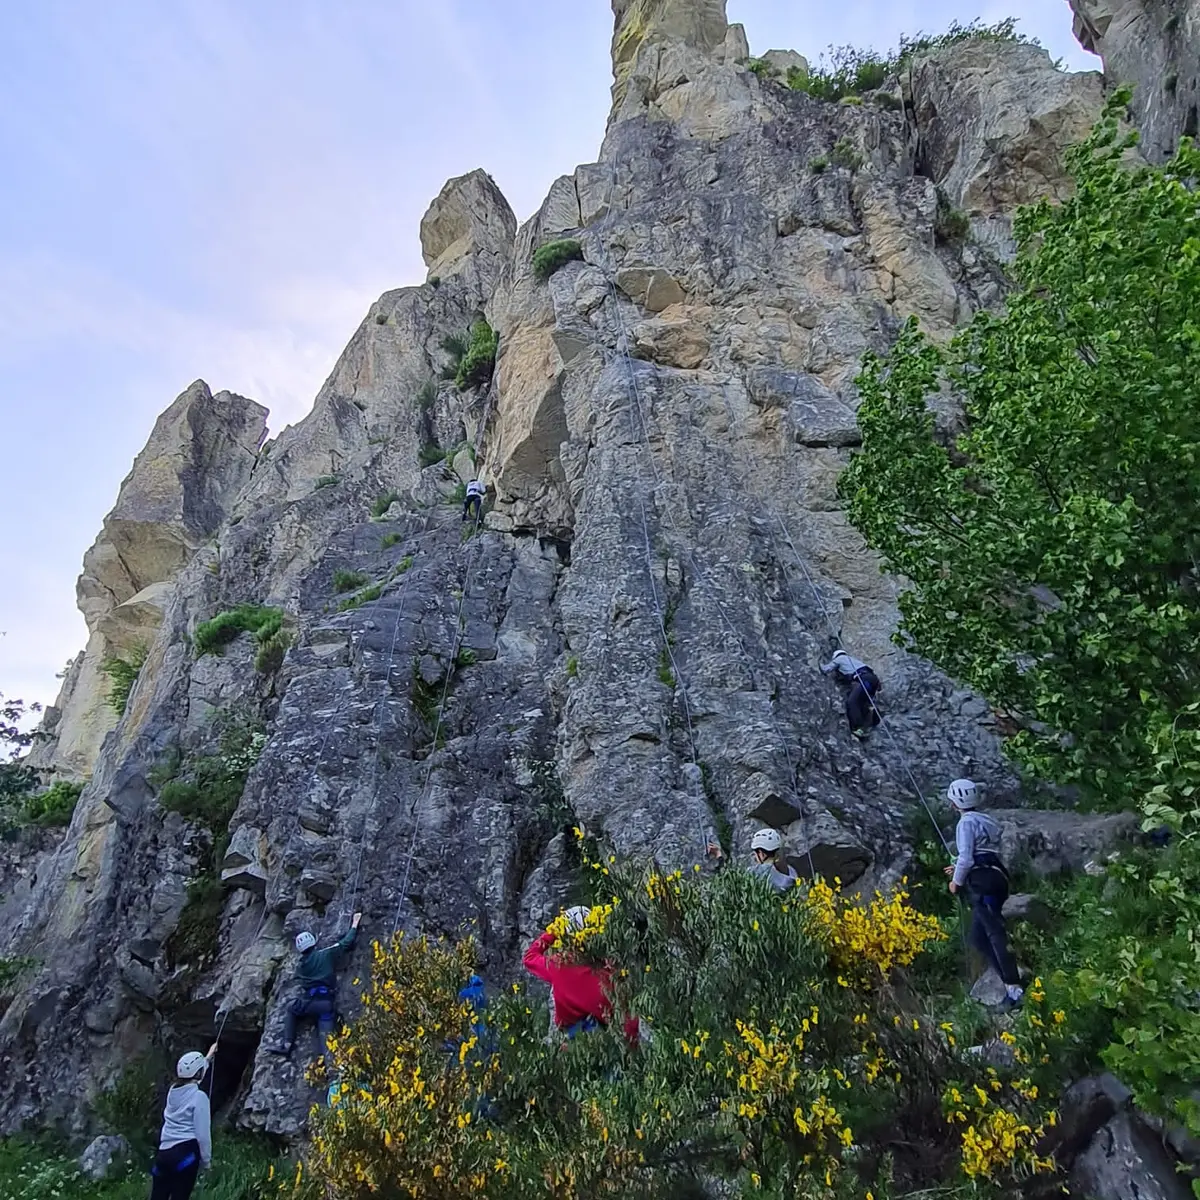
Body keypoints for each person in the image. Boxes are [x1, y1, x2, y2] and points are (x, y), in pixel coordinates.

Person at [944, 779, 1024, 1010]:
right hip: (997, 876)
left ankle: (1014, 989)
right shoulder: (985, 820)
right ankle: (1010, 981)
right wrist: (957, 867)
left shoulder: (965, 824)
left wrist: (956, 882)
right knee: (978, 938)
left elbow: (967, 858)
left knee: (995, 935)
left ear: (955, 802)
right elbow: (982, 852)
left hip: (982, 883)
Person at [523, 907, 639, 1043]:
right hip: (607, 1034)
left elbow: (529, 958)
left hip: (572, 1033)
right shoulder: (607, 970)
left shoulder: (556, 964)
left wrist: (553, 931)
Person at [267, 912, 362, 1056]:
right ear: (313, 942)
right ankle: (332, 1066)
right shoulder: (326, 954)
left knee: (291, 1008)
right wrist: (355, 923)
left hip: (308, 1003)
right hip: (325, 1004)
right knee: (328, 1044)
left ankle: (287, 1045)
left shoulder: (301, 966)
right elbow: (346, 942)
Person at [149, 1043, 217, 1200]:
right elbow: (202, 1135)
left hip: (163, 1154)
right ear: (198, 1073)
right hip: (185, 1154)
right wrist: (206, 1162)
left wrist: (208, 1056)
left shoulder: (172, 1091)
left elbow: (193, 1077)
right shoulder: (199, 1098)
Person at [707, 828, 800, 893]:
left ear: (761, 853)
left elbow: (731, 882)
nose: (755, 857)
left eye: (755, 853)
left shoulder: (757, 872)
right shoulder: (791, 872)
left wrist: (719, 856)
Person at [820, 650, 882, 741]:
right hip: (872, 680)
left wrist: (819, 663)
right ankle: (869, 720)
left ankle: (858, 727)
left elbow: (825, 669)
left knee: (852, 702)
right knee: (862, 703)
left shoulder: (840, 658)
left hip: (863, 679)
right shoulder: (853, 661)